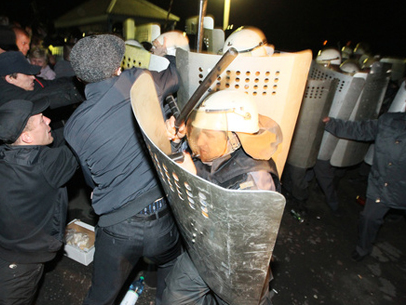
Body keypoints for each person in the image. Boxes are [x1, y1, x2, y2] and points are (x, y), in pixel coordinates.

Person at [64, 34, 182, 305]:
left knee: (101, 297)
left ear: (80, 79)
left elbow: (92, 179)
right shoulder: (139, 80)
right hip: (163, 218)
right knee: (171, 270)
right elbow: (175, 73)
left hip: (118, 228)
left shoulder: (73, 127)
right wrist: (169, 51)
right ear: (118, 67)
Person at [162, 90, 282, 305]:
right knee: (175, 298)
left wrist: (191, 180)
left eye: (210, 135)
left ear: (236, 137)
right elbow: (197, 158)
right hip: (204, 251)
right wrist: (177, 141)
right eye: (200, 131)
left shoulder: (255, 182)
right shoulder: (221, 148)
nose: (201, 141)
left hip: (236, 268)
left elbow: (239, 243)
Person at [0, 98, 78, 304]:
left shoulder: (3, 153)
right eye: (42, 120)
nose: (49, 120)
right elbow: (83, 141)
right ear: (25, 137)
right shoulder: (44, 164)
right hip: (15, 271)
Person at [323, 114, 406, 262]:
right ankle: (363, 248)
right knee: (369, 218)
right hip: (382, 186)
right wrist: (331, 123)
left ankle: (396, 215)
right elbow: (359, 129)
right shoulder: (389, 121)